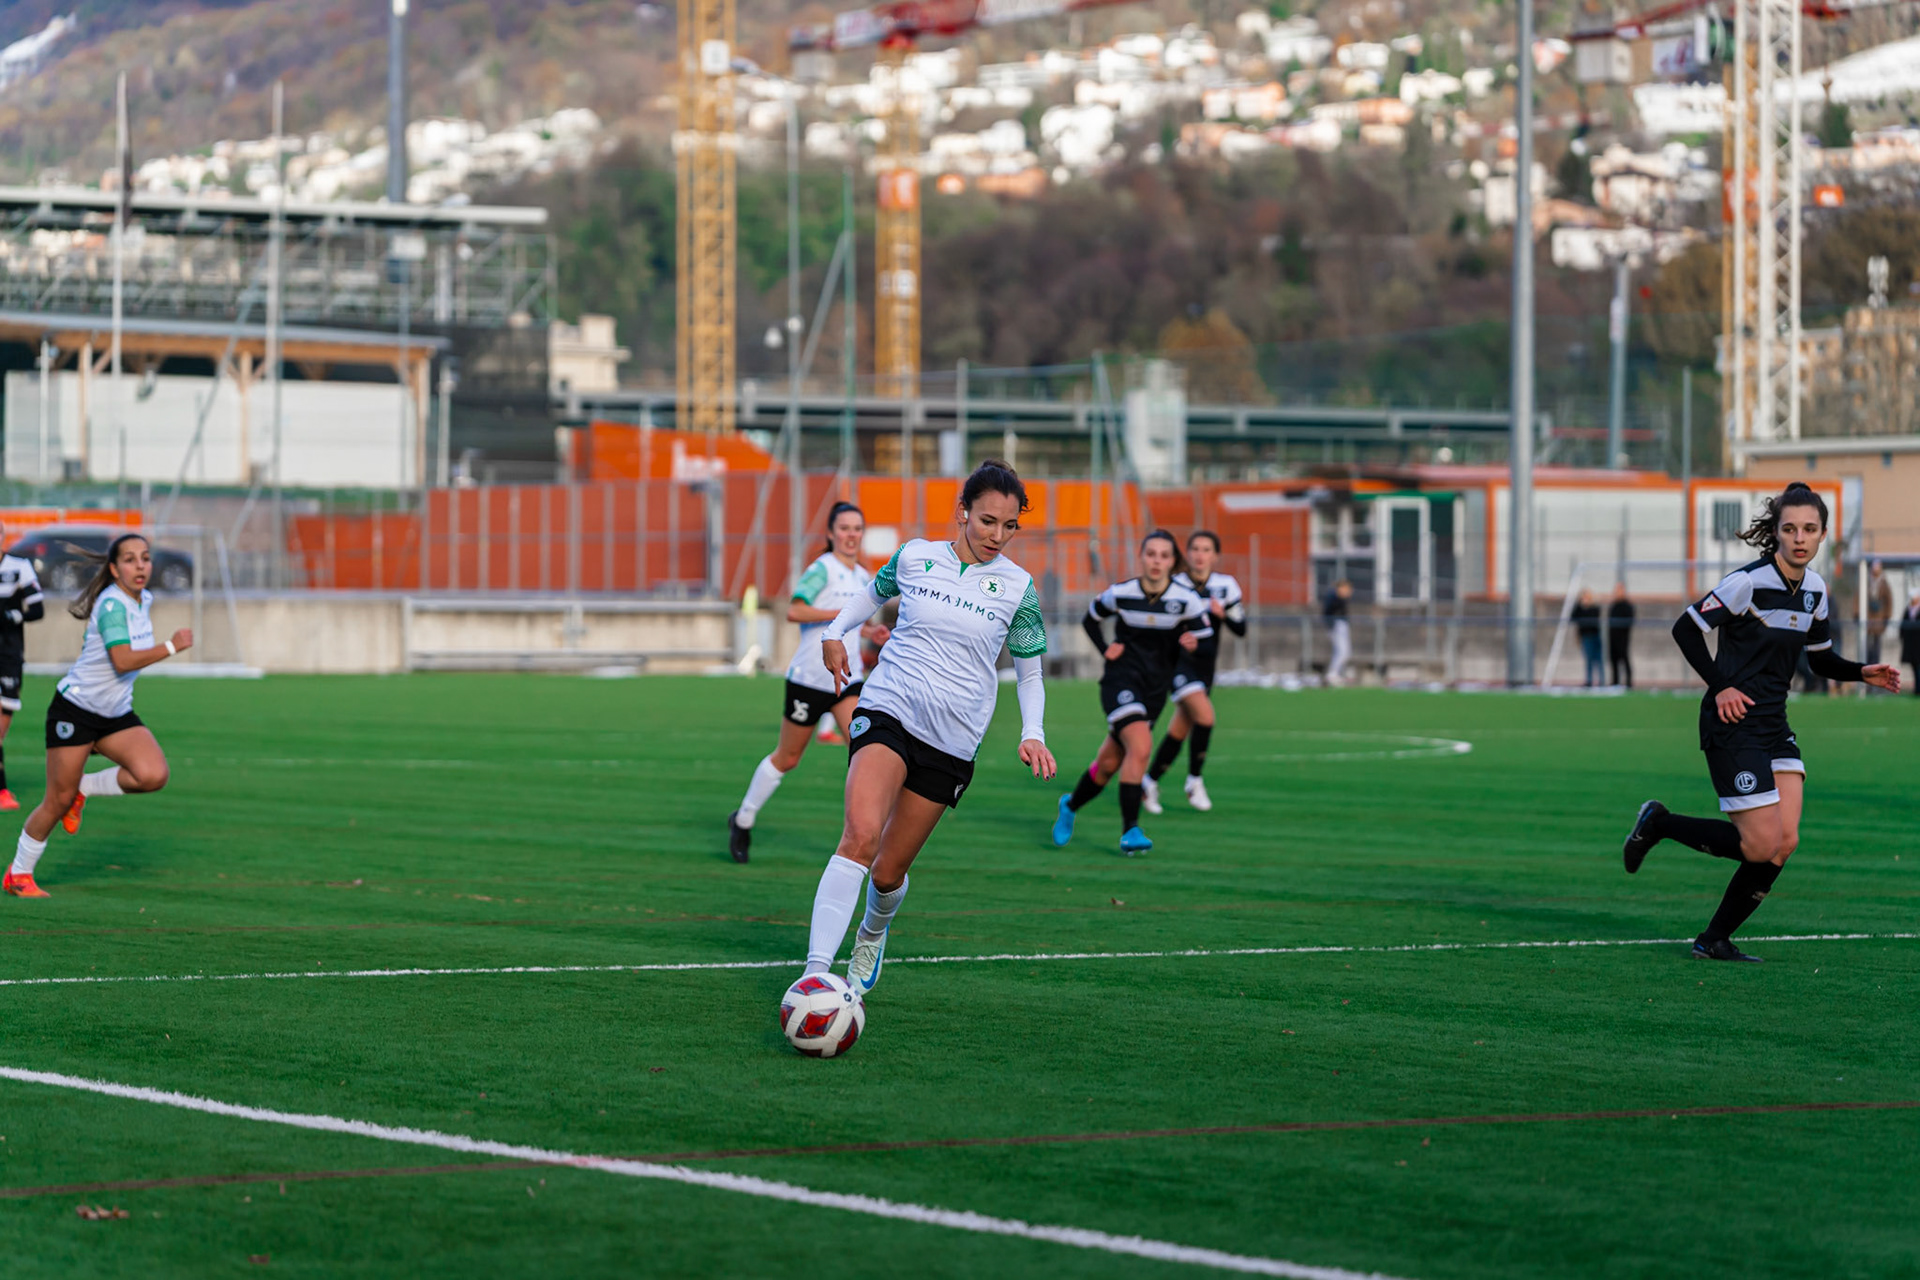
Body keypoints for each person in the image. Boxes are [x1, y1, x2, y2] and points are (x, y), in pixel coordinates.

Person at [795, 460, 1055, 997]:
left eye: (1009, 526)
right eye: (987, 521)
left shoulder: (1019, 588)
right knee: (860, 836)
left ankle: (873, 929)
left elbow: (1029, 673)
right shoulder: (915, 557)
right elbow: (866, 597)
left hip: (954, 739)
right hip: (889, 708)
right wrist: (835, 632)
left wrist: (1035, 732)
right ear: (961, 512)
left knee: (888, 873)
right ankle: (815, 974)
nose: (997, 536)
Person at [1619, 483, 1900, 961]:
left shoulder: (1815, 591)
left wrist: (1860, 673)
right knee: (1759, 843)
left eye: (1809, 529)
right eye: (1789, 528)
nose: (1799, 538)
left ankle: (1714, 939)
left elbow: (1821, 659)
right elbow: (1686, 627)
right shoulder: (1747, 583)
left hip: (1774, 725)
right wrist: (1719, 685)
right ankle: (1660, 824)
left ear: (1823, 535)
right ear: (1776, 532)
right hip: (1731, 724)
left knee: (1783, 841)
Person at [5, 534, 192, 898]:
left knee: (153, 774)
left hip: (115, 713)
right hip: (75, 712)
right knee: (56, 802)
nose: (140, 566)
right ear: (114, 568)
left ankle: (85, 789)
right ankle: (18, 875)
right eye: (130, 560)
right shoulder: (111, 605)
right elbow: (121, 660)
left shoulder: (145, 599)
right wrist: (171, 646)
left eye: (145, 558)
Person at [728, 502, 883, 864]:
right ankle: (743, 818)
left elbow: (851, 629)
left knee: (863, 753)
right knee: (789, 758)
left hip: (847, 681)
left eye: (857, 529)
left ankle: (862, 839)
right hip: (810, 680)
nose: (851, 535)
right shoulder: (821, 570)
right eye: (844, 528)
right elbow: (795, 609)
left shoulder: (864, 576)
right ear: (830, 534)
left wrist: (870, 631)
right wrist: (844, 614)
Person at [1051, 530, 1212, 855]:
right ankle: (1130, 831)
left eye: (1164, 555)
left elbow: (1205, 638)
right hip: (1120, 682)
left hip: (1155, 690)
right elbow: (1090, 619)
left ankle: (1070, 804)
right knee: (1140, 746)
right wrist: (1104, 649)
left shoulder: (1186, 599)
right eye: (1150, 554)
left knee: (1109, 764)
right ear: (1141, 556)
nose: (1156, 561)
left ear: (1172, 561)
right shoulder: (1121, 593)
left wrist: (1194, 646)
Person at [1143, 530, 1245, 815]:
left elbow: (1241, 629)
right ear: (1187, 554)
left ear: (1215, 556)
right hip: (1179, 665)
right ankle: (1194, 781)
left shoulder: (1226, 586)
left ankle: (1148, 782)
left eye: (1206, 549)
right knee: (1206, 717)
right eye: (1195, 549)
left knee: (1180, 730)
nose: (1200, 555)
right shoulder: (1176, 585)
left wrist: (1222, 614)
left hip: (1206, 668)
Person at [0, 523, 47, 810]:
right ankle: (2, 793)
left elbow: (38, 610)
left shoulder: (19, 568)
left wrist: (9, 616)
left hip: (8, 655)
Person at [1323, 579, 1353, 685]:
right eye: (1347, 589)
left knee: (1346, 652)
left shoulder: (1338, 598)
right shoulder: (1334, 597)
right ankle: (1332, 674)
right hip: (1337, 625)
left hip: (1342, 625)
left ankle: (1337, 674)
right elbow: (1329, 611)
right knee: (1341, 651)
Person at [1606, 583, 1635, 689]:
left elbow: (1629, 621)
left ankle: (1628, 682)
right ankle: (1615, 682)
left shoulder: (1627, 606)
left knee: (1624, 658)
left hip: (1622, 638)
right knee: (1613, 660)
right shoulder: (1614, 605)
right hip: (1612, 637)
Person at [1572, 589, 1604, 687]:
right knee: (1589, 659)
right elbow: (1573, 617)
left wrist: (1587, 606)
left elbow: (1593, 617)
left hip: (1595, 636)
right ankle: (1589, 681)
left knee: (1599, 659)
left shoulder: (1595, 608)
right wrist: (1579, 604)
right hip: (1586, 637)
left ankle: (1602, 681)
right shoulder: (1580, 609)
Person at [1865, 560, 1892, 667]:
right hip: (1868, 620)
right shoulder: (1866, 581)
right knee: (1867, 648)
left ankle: (1876, 666)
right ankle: (1867, 666)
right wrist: (1857, 614)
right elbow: (1858, 598)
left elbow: (1889, 601)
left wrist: (1887, 617)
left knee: (1876, 647)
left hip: (1879, 619)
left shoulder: (1884, 583)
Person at [1902, 587, 1920, 697]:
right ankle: (1916, 689)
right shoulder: (1907, 610)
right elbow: (1902, 627)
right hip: (1911, 645)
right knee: (1914, 667)